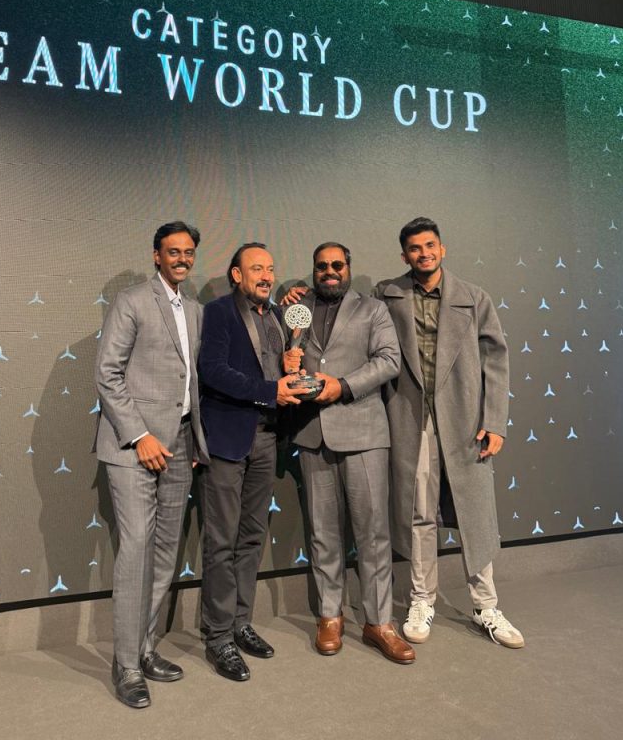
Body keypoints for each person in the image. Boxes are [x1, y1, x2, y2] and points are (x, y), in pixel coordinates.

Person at [373, 216, 524, 649]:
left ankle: (486, 606)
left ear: (442, 248)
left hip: (464, 420)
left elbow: (496, 362)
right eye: (415, 248)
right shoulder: (387, 295)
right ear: (405, 255)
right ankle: (422, 599)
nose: (424, 253)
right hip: (410, 419)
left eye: (430, 245)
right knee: (419, 512)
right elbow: (348, 313)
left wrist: (495, 421)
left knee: (475, 514)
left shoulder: (474, 298)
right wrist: (298, 297)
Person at [94, 221, 208, 709]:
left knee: (165, 551)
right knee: (137, 547)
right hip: (133, 447)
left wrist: (194, 437)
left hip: (180, 443)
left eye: (188, 252)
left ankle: (144, 648)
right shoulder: (132, 301)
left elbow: (190, 379)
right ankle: (125, 665)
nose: (182, 258)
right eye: (173, 251)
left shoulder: (195, 309)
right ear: (156, 255)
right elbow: (107, 373)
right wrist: (140, 436)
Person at [285, 243, 415, 665]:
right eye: (321, 265)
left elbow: (390, 360)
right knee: (322, 533)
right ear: (314, 270)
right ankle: (330, 615)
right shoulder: (297, 308)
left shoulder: (373, 309)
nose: (329, 271)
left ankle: (379, 622)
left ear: (348, 268)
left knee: (373, 533)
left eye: (336, 265)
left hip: (364, 434)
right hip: (312, 434)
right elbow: (286, 355)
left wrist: (341, 386)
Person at [197, 243, 308, 681]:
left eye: (270, 268)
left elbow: (275, 372)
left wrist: (290, 368)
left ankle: (241, 623)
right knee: (221, 542)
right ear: (236, 275)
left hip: (267, 440)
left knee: (250, 539)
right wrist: (269, 391)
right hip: (228, 441)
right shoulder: (219, 312)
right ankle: (218, 636)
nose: (266, 275)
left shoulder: (279, 317)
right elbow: (212, 371)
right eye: (256, 268)